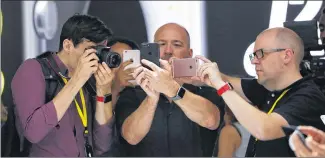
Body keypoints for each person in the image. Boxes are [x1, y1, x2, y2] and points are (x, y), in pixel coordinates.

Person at [194, 27, 325, 157]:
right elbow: (229, 81)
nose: (253, 61)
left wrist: (221, 86)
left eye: (261, 54)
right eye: (254, 55)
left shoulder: (308, 97)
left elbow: (264, 129)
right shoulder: (268, 87)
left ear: (286, 56)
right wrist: (203, 74)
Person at [11, 14, 115, 157]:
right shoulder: (33, 69)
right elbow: (33, 132)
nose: (96, 57)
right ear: (67, 45)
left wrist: (104, 92)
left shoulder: (89, 81)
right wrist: (77, 80)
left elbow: (102, 144)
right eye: (91, 50)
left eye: (101, 51)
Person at [115, 23, 225, 156]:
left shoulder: (206, 93)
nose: (168, 51)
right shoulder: (132, 94)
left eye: (177, 44)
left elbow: (210, 120)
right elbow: (131, 137)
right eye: (161, 44)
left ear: (189, 54)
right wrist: (152, 97)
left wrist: (172, 89)